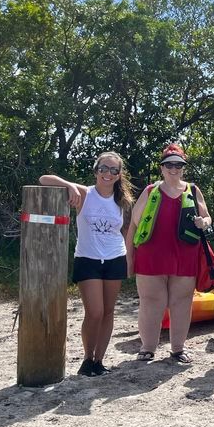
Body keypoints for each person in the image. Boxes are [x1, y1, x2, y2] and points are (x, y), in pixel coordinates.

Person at [39, 152, 134, 376]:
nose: (107, 174)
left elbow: (126, 231)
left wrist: (130, 259)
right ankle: (87, 358)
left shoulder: (123, 202)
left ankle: (98, 361)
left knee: (109, 312)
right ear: (96, 170)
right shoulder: (85, 194)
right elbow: (44, 179)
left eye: (113, 170)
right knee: (95, 312)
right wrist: (69, 185)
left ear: (119, 175)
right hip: (88, 259)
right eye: (103, 168)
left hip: (114, 258)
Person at [126, 144, 211, 364]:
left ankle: (178, 348)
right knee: (151, 301)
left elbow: (207, 217)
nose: (174, 169)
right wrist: (129, 256)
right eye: (169, 165)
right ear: (162, 167)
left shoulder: (192, 189)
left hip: (185, 254)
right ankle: (147, 348)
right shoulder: (150, 190)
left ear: (183, 167)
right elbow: (134, 226)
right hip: (151, 254)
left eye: (178, 165)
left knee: (182, 302)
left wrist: (204, 222)